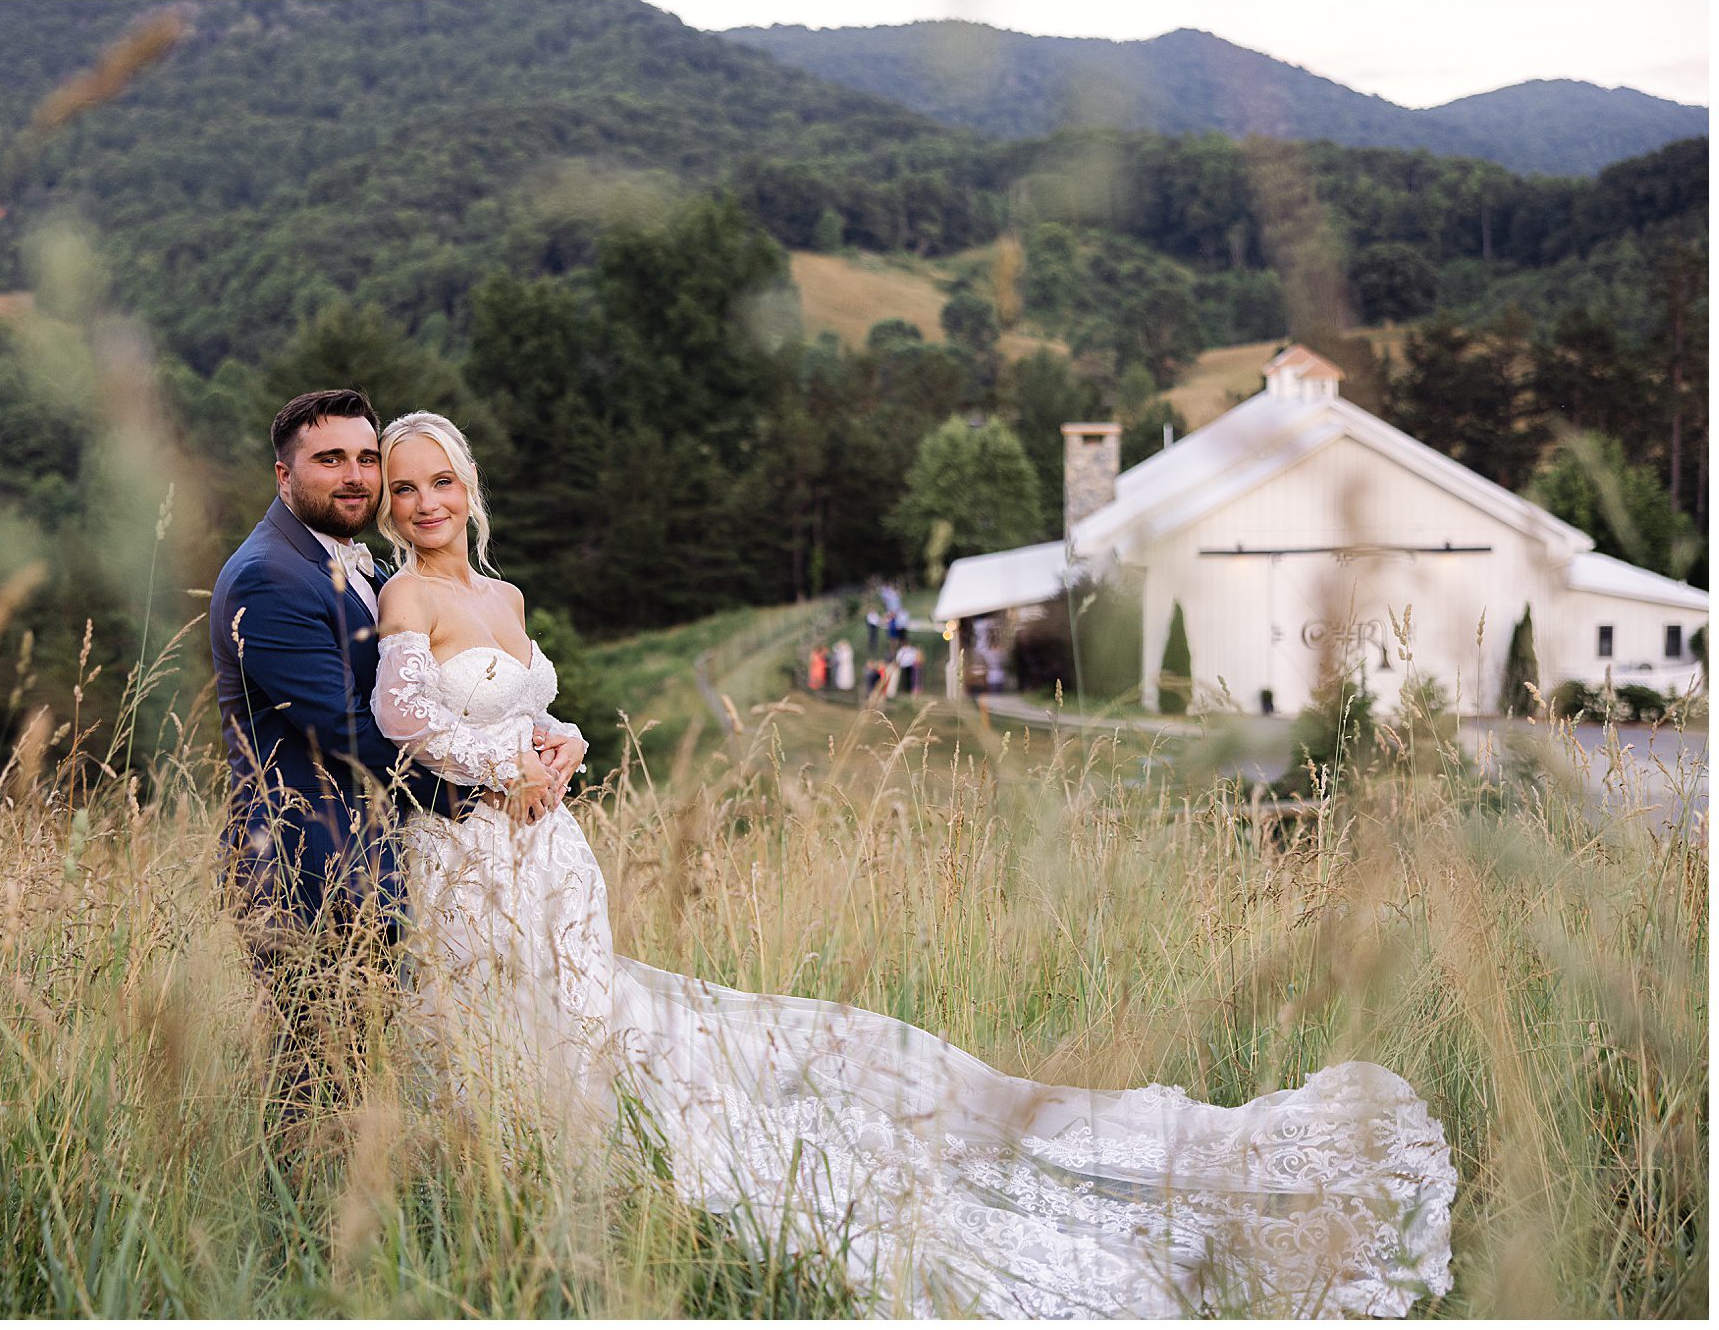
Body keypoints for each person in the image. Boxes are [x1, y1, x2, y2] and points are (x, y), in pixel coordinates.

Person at [366, 411, 1457, 1319]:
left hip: (552, 848)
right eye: (403, 490)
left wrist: (562, 748)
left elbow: (540, 710)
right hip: (469, 854)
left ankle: (591, 1175)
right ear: (389, 508)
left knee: (587, 1014)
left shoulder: (502, 599)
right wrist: (505, 762)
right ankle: (536, 1192)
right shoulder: (403, 596)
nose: (424, 503)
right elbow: (401, 715)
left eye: (439, 481)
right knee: (506, 1023)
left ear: (468, 486)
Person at [208, 390, 532, 1142]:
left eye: (364, 458)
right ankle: (303, 1242)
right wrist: (477, 788)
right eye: (330, 460)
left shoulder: (355, 568)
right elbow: (345, 728)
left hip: (370, 863)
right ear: (284, 475)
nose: (354, 476)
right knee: (317, 1086)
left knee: (364, 1075)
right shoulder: (269, 575)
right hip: (303, 866)